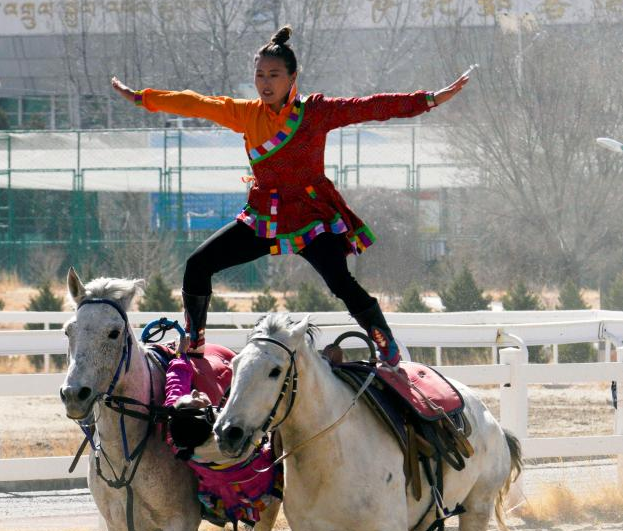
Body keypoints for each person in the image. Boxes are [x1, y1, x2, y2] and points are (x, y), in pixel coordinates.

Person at [112, 27, 469, 367]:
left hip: (311, 217)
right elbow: (195, 104)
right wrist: (144, 99)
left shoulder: (315, 113)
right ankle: (194, 340)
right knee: (197, 265)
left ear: (292, 78)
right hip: (265, 218)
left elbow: (370, 106)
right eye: (260, 75)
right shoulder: (246, 114)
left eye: (274, 75)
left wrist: (430, 100)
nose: (265, 83)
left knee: (340, 283)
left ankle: (383, 340)